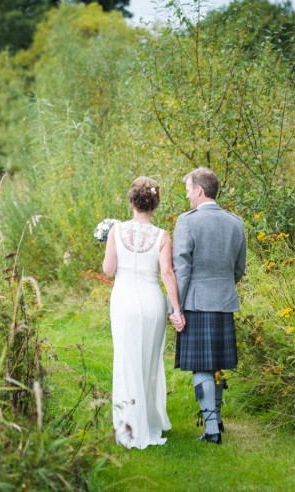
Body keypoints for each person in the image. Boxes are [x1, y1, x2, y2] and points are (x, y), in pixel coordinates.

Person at [103, 177, 184, 449]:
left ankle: (128, 426)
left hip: (124, 300)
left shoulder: (116, 230)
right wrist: (177, 309)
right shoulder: (162, 235)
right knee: (150, 363)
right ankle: (149, 422)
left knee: (126, 361)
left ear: (131, 200)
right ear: (155, 204)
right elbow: (167, 274)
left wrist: (108, 244)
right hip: (152, 302)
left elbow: (108, 269)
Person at [171, 167, 246, 444]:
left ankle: (212, 429)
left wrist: (175, 306)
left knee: (202, 366)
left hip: (195, 302)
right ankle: (218, 418)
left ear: (200, 190)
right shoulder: (235, 222)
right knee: (215, 363)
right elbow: (239, 268)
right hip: (224, 301)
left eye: (189, 190)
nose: (188, 196)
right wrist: (223, 286)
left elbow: (182, 269)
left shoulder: (186, 222)